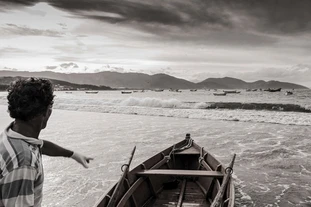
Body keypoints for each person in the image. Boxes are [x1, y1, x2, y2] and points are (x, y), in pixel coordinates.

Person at [0, 78, 93, 207]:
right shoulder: (24, 162)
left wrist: (73, 154)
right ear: (46, 112)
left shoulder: (10, 135)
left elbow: (41, 146)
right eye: (50, 107)